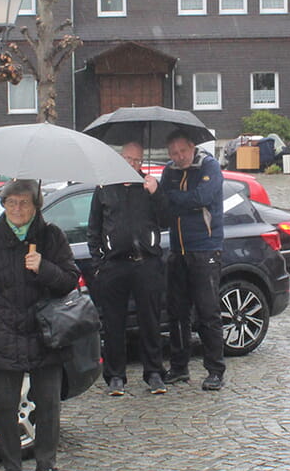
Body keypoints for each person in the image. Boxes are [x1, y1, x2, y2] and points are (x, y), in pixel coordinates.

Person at [0, 179, 80, 471]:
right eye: (11, 203)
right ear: (3, 205)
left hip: (44, 332)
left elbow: (69, 280)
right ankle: (11, 467)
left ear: (36, 206)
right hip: (3, 334)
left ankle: (46, 465)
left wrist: (44, 267)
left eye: (24, 203)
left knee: (48, 404)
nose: (17, 209)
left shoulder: (50, 236)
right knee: (4, 405)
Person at [87, 141, 168, 396]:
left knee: (150, 321)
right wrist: (99, 264)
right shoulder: (104, 188)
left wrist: (157, 192)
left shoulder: (148, 185)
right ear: (118, 158)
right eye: (127, 158)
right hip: (115, 265)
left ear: (141, 162)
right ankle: (115, 377)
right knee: (113, 323)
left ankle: (154, 373)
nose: (131, 164)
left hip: (147, 263)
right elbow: (93, 229)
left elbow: (166, 219)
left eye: (136, 160)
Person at [160, 130, 226, 391]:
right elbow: (164, 203)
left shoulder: (209, 166)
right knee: (177, 313)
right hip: (178, 250)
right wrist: (179, 200)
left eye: (182, 152)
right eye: (174, 154)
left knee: (208, 314)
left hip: (205, 249)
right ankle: (179, 367)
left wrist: (176, 198)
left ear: (192, 148)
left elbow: (202, 197)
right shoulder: (169, 171)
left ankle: (215, 370)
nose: (179, 158)